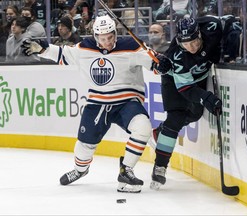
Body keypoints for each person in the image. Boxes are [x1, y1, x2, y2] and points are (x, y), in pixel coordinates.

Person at [21, 14, 157, 193]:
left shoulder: (132, 46)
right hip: (97, 103)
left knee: (143, 127)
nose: (107, 42)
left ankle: (126, 171)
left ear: (115, 33)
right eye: (102, 38)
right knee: (84, 145)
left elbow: (155, 63)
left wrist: (160, 63)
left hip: (127, 101)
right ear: (95, 37)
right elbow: (63, 53)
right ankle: (80, 170)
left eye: (110, 37)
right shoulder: (85, 48)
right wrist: (42, 49)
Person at [149, 16, 223, 190]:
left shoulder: (212, 27)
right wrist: (207, 98)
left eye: (194, 42)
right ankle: (160, 167)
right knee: (175, 118)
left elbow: (228, 24)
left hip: (198, 79)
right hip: (175, 81)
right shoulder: (177, 55)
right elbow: (186, 89)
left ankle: (163, 130)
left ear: (199, 34)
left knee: (196, 114)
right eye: (185, 44)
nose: (190, 47)